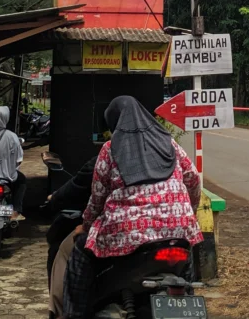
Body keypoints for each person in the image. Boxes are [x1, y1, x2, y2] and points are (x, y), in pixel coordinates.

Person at [63, 96, 201, 318]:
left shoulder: (110, 149)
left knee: (80, 250)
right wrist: (187, 214)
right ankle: (188, 302)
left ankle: (74, 315)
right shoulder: (170, 144)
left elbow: (97, 196)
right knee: (185, 265)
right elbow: (193, 179)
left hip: (129, 235)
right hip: (180, 229)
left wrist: (86, 226)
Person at [44, 157, 96, 319]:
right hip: (173, 230)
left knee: (67, 249)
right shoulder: (173, 150)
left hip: (124, 228)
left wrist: (87, 225)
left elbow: (97, 201)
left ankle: (64, 313)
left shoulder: (110, 154)